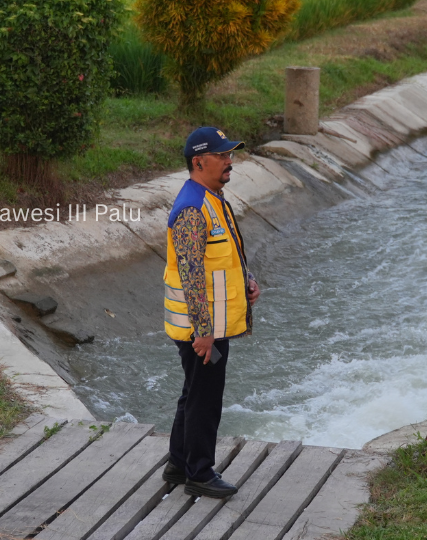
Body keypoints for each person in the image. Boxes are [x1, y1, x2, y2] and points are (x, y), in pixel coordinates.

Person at [161, 126, 261, 499]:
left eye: (229, 154)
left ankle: (177, 463)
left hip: (208, 325)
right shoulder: (191, 209)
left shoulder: (213, 197)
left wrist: (248, 279)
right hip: (201, 329)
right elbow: (191, 277)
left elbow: (224, 255)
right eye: (221, 155)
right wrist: (204, 332)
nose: (229, 160)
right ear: (198, 161)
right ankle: (199, 473)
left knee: (193, 393)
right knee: (205, 399)